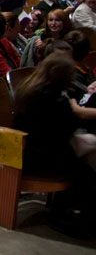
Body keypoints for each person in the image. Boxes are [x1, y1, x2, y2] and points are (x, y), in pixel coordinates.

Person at [13, 54, 96, 236]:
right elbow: (70, 128)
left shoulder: (28, 88)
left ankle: (64, 212)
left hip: (30, 150)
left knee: (86, 152)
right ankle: (66, 217)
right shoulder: (55, 99)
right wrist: (74, 107)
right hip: (44, 158)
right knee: (86, 168)